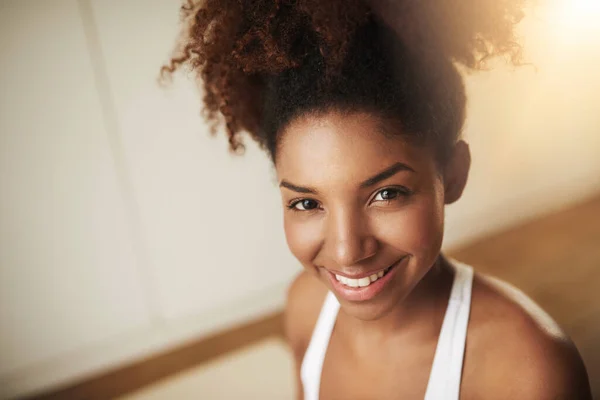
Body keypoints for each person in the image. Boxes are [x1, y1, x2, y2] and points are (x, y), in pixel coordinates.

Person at [163, 0, 592, 398]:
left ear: (454, 174)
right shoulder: (305, 307)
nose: (348, 251)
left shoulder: (529, 372)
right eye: (307, 203)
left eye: (386, 194)